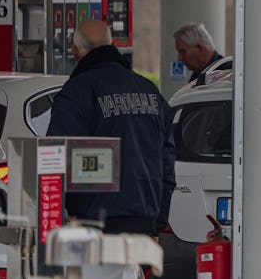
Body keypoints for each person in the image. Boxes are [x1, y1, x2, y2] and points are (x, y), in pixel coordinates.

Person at [48, 20, 176, 236]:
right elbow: (167, 163)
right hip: (144, 222)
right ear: (113, 44)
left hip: (93, 226)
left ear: (75, 51)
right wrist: (157, 222)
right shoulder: (149, 90)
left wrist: (61, 219)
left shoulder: (77, 91)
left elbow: (57, 157)